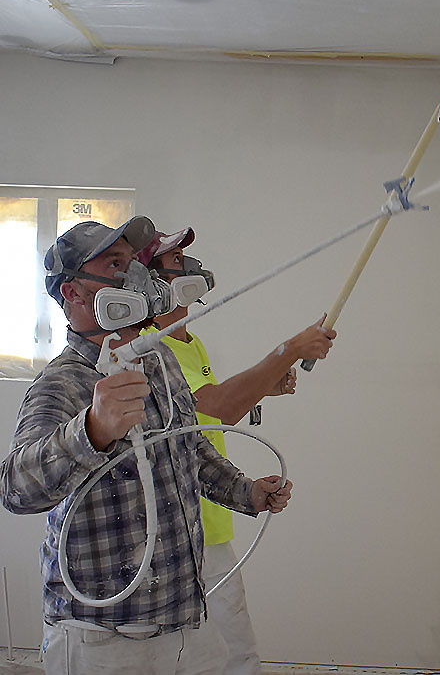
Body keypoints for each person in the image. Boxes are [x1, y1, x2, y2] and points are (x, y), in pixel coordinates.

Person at [0, 216, 292, 675]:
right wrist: (91, 430)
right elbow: (16, 489)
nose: (133, 275)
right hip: (102, 638)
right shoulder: (62, 384)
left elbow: (190, 448)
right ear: (73, 293)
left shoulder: (159, 362)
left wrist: (246, 492)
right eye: (114, 264)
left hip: (186, 621)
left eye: (132, 262)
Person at [136, 227, 336, 675]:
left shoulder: (190, 341)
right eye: (175, 263)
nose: (189, 267)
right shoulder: (148, 347)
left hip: (212, 518)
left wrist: (265, 388)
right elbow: (218, 409)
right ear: (149, 282)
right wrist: (288, 352)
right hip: (182, 526)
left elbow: (203, 414)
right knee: (220, 656)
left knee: (233, 652)